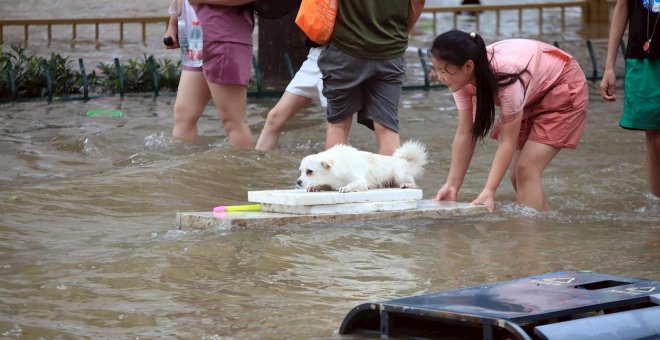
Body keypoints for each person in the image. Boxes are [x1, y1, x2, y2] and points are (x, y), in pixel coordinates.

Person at [428, 30, 588, 212]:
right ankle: (546, 231)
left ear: (469, 66)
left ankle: (529, 237)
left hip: (561, 84)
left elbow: (508, 141)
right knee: (517, 176)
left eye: (444, 70)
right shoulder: (459, 81)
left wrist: (489, 190)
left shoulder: (507, 77)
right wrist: (452, 185)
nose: (439, 77)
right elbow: (465, 132)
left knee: (526, 170)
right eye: (436, 69)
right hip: (531, 92)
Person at [317, 0, 426, 155]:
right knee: (387, 127)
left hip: (345, 47)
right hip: (391, 50)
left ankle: (334, 179)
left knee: (338, 125)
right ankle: (390, 179)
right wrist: (400, 33)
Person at [164, 0, 256, 148]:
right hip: (194, 40)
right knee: (184, 115)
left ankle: (246, 169)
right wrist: (173, 22)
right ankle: (183, 169)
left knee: (233, 120)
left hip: (224, 39)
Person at [599, 0, 660, 198]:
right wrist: (609, 66)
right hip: (643, 59)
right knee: (655, 140)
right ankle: (655, 204)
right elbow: (623, 6)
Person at [255, 41, 327, 151]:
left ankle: (340, 165)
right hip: (315, 56)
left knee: (336, 126)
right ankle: (257, 165)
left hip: (339, 56)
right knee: (274, 118)